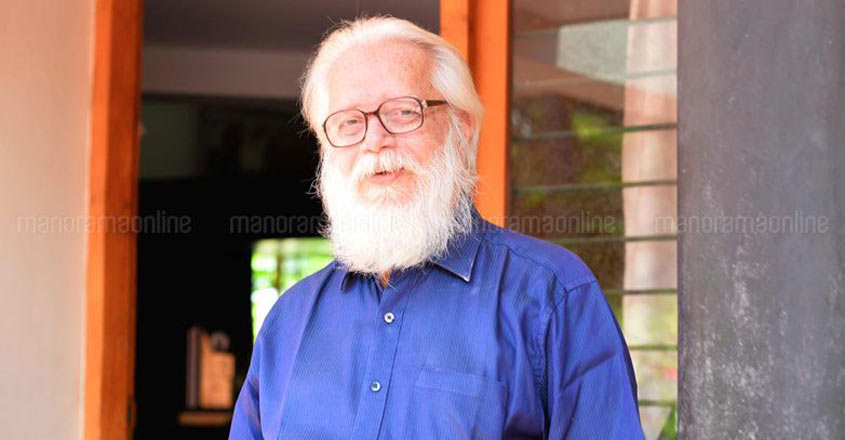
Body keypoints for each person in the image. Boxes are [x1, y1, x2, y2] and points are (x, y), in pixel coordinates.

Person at [229, 16, 644, 440]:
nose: (374, 140)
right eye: (349, 123)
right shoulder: (289, 322)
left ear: (461, 131)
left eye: (403, 112)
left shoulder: (551, 295)